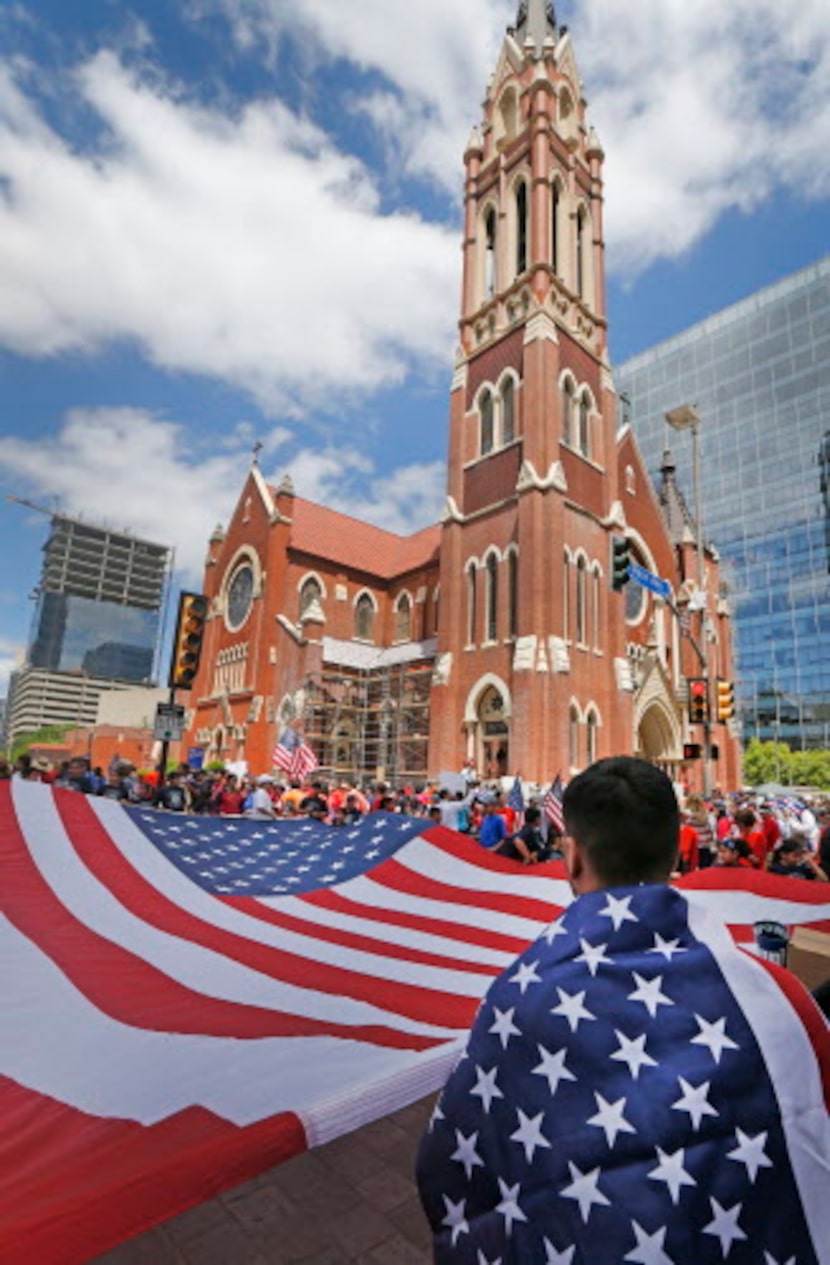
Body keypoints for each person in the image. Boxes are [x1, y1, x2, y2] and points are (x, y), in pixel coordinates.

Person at [417, 756, 830, 1263]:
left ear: (570, 856)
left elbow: (450, 1168)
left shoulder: (519, 1002)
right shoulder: (780, 1002)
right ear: (675, 848)